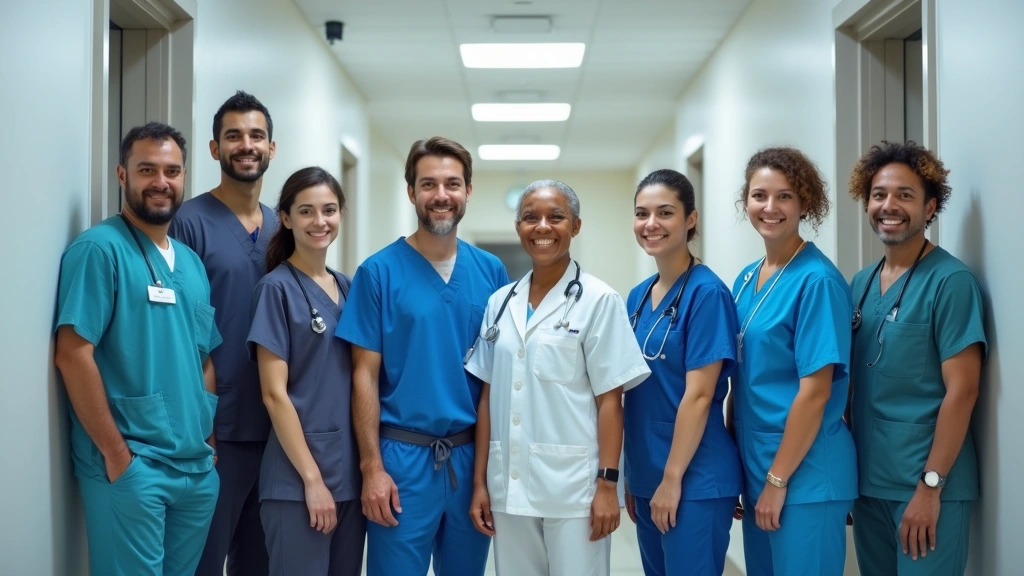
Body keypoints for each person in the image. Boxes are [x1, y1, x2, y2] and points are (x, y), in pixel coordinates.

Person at [334, 137, 509, 576]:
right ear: (411, 192)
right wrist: (372, 467)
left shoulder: (492, 272)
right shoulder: (379, 272)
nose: (441, 195)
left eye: (452, 183)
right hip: (402, 460)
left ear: (469, 190)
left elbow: (498, 378)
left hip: (471, 458)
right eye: (428, 184)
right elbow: (364, 376)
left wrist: (488, 472)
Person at [54, 122, 221, 575]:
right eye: (147, 169)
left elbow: (203, 355)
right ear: (122, 175)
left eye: (172, 171)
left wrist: (206, 438)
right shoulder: (98, 249)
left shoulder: (190, 262)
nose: (161, 182)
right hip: (133, 465)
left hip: (195, 468)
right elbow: (72, 353)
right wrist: (115, 454)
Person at [465, 180, 650, 576]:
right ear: (518, 228)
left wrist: (607, 485)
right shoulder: (500, 304)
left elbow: (610, 401)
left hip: (575, 491)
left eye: (556, 217)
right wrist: (481, 482)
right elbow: (487, 397)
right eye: (530, 218)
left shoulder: (599, 301)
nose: (543, 227)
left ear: (576, 226)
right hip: (508, 485)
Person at [847, 141, 986, 575]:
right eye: (879, 194)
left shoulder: (951, 282)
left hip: (926, 487)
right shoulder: (861, 283)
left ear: (930, 208)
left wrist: (930, 488)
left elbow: (963, 391)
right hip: (869, 485)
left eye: (905, 195)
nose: (889, 205)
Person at [729, 147, 858, 576]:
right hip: (757, 464)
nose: (770, 207)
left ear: (806, 203)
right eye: (759, 195)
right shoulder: (747, 278)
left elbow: (817, 392)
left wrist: (777, 480)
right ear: (745, 201)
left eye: (784, 196)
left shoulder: (817, 280)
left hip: (803, 475)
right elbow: (742, 377)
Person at [171, 90, 276, 576]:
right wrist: (199, 427)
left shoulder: (286, 227)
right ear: (215, 149)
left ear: (272, 148)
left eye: (256, 135)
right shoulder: (187, 223)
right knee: (204, 562)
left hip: (279, 430)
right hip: (215, 431)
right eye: (233, 136)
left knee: (261, 563)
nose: (246, 145)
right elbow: (176, 333)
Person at [247, 167, 366, 575]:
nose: (320, 222)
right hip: (298, 482)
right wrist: (313, 480)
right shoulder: (276, 290)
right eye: (307, 211)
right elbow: (273, 395)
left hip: (349, 475)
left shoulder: (349, 287)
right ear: (286, 217)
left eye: (329, 210)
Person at [623, 169, 742, 576]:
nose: (650, 224)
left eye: (665, 212)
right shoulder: (638, 297)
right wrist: (633, 475)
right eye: (642, 213)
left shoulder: (707, 293)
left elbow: (700, 394)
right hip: (647, 474)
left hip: (694, 477)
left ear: (690, 219)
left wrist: (671, 479)